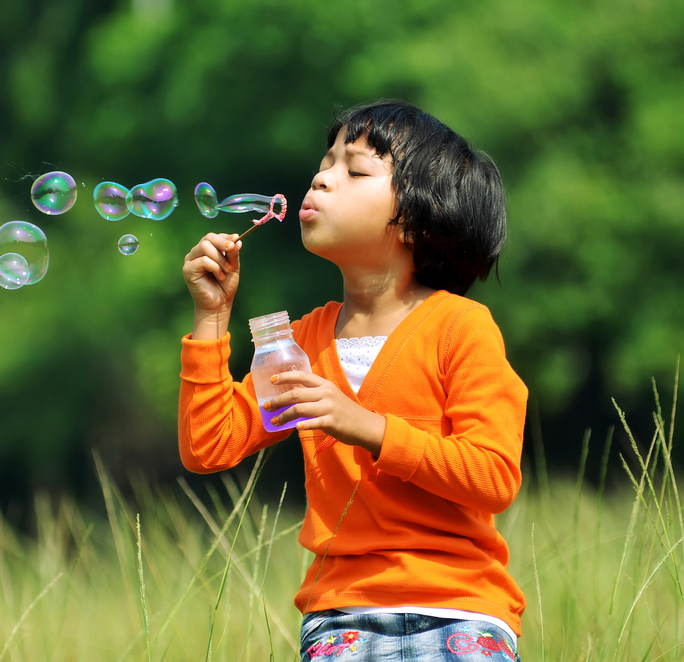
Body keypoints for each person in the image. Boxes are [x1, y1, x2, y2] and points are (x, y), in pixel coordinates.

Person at [179, 100, 527, 661]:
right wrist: (212, 316)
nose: (321, 176)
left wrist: (366, 426)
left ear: (416, 218)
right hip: (342, 620)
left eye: (354, 169)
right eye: (325, 162)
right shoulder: (301, 343)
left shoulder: (461, 328)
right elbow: (208, 446)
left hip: (460, 611)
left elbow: (493, 476)